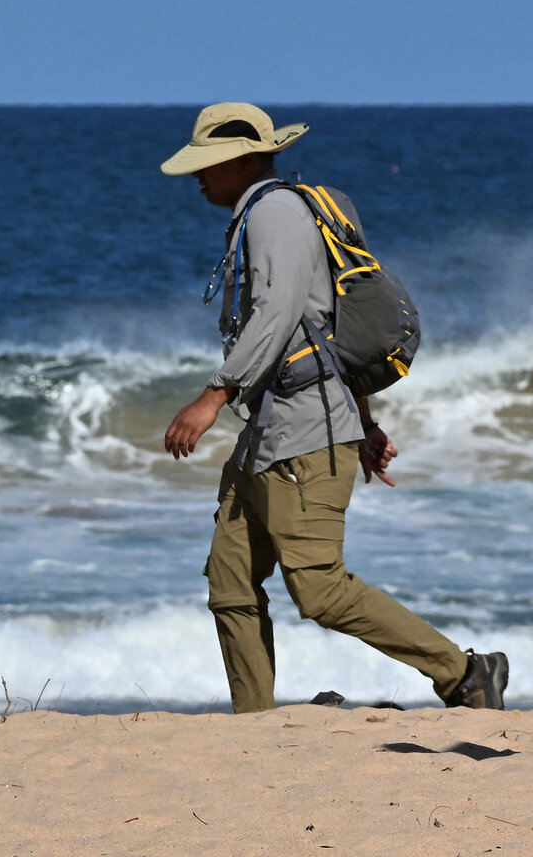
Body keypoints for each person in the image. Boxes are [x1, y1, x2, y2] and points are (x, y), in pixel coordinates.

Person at [161, 101, 508, 714]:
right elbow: (329, 331)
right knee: (231, 583)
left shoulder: (274, 214)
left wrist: (214, 395)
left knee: (320, 590)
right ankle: (254, 723)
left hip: (303, 436)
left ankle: (464, 673)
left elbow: (278, 313)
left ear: (242, 161)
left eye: (207, 164)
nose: (197, 176)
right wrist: (366, 423)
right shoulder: (268, 215)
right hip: (271, 434)